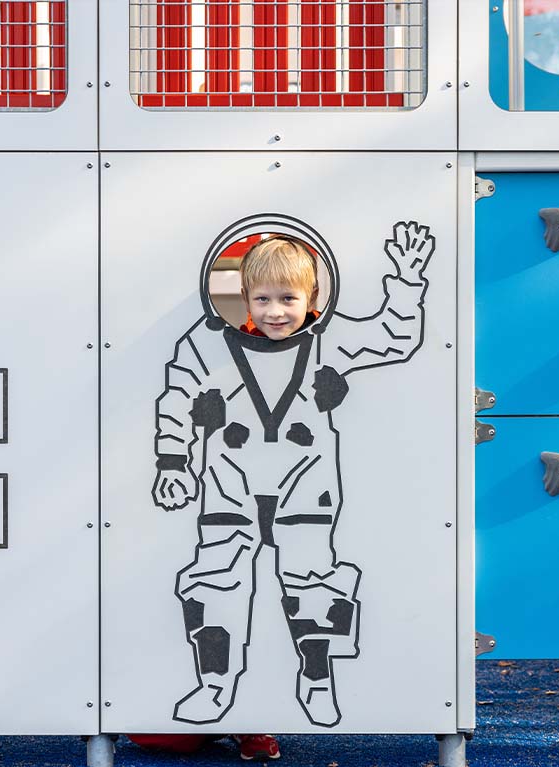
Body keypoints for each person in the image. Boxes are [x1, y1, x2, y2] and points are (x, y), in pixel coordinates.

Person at [151, 223, 433, 735]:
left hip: (304, 482)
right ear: (242, 299)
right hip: (228, 483)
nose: (275, 311)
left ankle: (317, 677)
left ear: (314, 298)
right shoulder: (207, 345)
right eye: (262, 299)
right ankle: (214, 682)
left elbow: (395, 337)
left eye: (289, 298)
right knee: (215, 582)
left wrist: (408, 281)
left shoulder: (331, 340)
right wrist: (173, 461)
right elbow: (175, 398)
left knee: (314, 580)